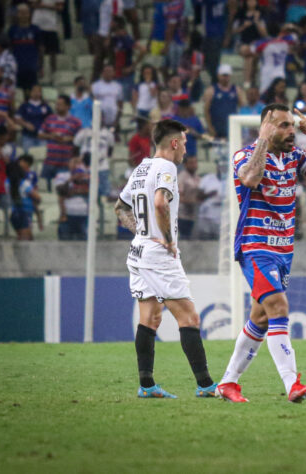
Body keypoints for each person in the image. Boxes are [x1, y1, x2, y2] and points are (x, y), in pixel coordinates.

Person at [215, 104, 306, 403]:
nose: (291, 131)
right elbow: (250, 179)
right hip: (255, 246)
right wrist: (262, 140)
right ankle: (292, 384)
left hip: (283, 250)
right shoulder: (244, 155)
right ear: (266, 127)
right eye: (283, 125)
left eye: (292, 125)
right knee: (278, 306)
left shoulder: (294, 158)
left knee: (261, 316)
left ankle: (228, 383)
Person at [114, 118, 217, 399]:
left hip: (138, 251)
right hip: (158, 256)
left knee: (150, 318)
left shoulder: (141, 167)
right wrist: (167, 240)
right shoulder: (167, 167)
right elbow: (160, 202)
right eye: (184, 142)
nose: (185, 148)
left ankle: (146, 385)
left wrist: (142, 232)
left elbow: (119, 207)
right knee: (190, 317)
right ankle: (206, 385)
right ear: (174, 143)